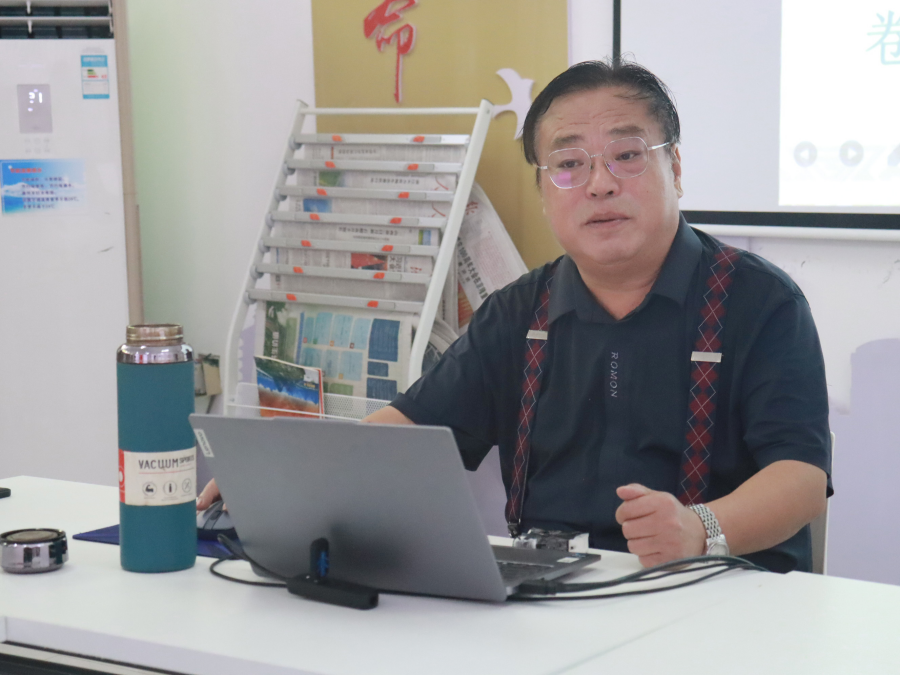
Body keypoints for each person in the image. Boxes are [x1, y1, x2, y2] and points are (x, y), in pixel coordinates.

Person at [199, 60, 832, 573]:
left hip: (720, 598)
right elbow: (406, 433)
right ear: (544, 191)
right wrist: (283, 473)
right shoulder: (518, 313)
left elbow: (801, 477)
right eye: (569, 164)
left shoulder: (762, 303)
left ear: (677, 168)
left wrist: (701, 528)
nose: (600, 184)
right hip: (551, 598)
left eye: (627, 154)